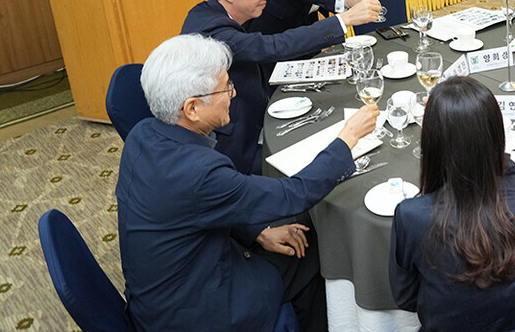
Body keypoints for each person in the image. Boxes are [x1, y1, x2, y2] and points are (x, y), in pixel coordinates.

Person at [117, 34, 379, 332]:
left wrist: (259, 232)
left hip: (158, 297)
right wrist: (347, 140)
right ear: (191, 108)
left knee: (296, 236)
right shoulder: (199, 172)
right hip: (199, 313)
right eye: (225, 87)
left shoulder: (142, 134)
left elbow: (200, 207)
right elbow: (293, 193)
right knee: (311, 250)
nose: (233, 93)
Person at [388, 76, 515, 332]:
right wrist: (464, 118)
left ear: (432, 141)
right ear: (496, 135)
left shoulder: (411, 216)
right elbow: (508, 166)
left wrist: (445, 117)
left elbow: (406, 298)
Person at [181, 0, 381, 174]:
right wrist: (343, 20)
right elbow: (272, 46)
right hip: (238, 147)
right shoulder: (212, 32)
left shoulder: (219, 12)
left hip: (260, 111)